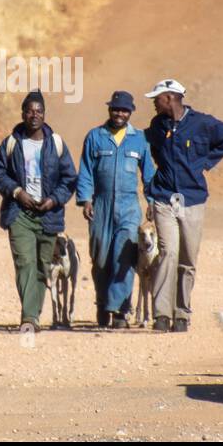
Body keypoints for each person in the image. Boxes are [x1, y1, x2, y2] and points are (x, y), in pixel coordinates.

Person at [142, 78, 223, 333]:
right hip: (164, 198)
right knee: (167, 253)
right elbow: (149, 148)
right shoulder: (157, 125)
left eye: (157, 98)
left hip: (192, 200)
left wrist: (205, 162)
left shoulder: (201, 123)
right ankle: (162, 315)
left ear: (171, 98)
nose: (154, 103)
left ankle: (181, 313)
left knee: (187, 259)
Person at [0, 90, 78, 332]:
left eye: (39, 111)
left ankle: (34, 314)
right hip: (19, 213)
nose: (34, 115)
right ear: (23, 114)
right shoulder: (11, 143)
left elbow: (70, 179)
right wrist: (18, 192)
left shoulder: (56, 144)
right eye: (29, 111)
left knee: (42, 266)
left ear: (45, 114)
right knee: (24, 262)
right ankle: (29, 317)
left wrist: (53, 200)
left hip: (49, 215)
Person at [76, 90, 155, 329]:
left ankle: (120, 311)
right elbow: (86, 171)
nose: (119, 113)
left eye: (124, 110)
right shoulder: (95, 137)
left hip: (129, 206)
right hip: (100, 205)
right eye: (115, 109)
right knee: (100, 258)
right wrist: (85, 200)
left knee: (125, 257)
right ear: (109, 110)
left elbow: (148, 174)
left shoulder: (139, 139)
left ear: (130, 112)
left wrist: (151, 200)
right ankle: (102, 304)